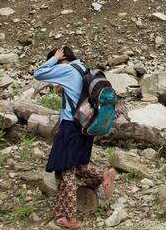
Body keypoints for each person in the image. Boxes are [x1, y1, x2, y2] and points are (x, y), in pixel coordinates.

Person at [34, 45, 116, 229]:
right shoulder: (84, 69)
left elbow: (39, 73)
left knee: (66, 169)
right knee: (77, 165)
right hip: (86, 125)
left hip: (71, 125)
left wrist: (54, 58)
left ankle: (71, 219)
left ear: (63, 58)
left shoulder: (66, 69)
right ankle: (102, 176)